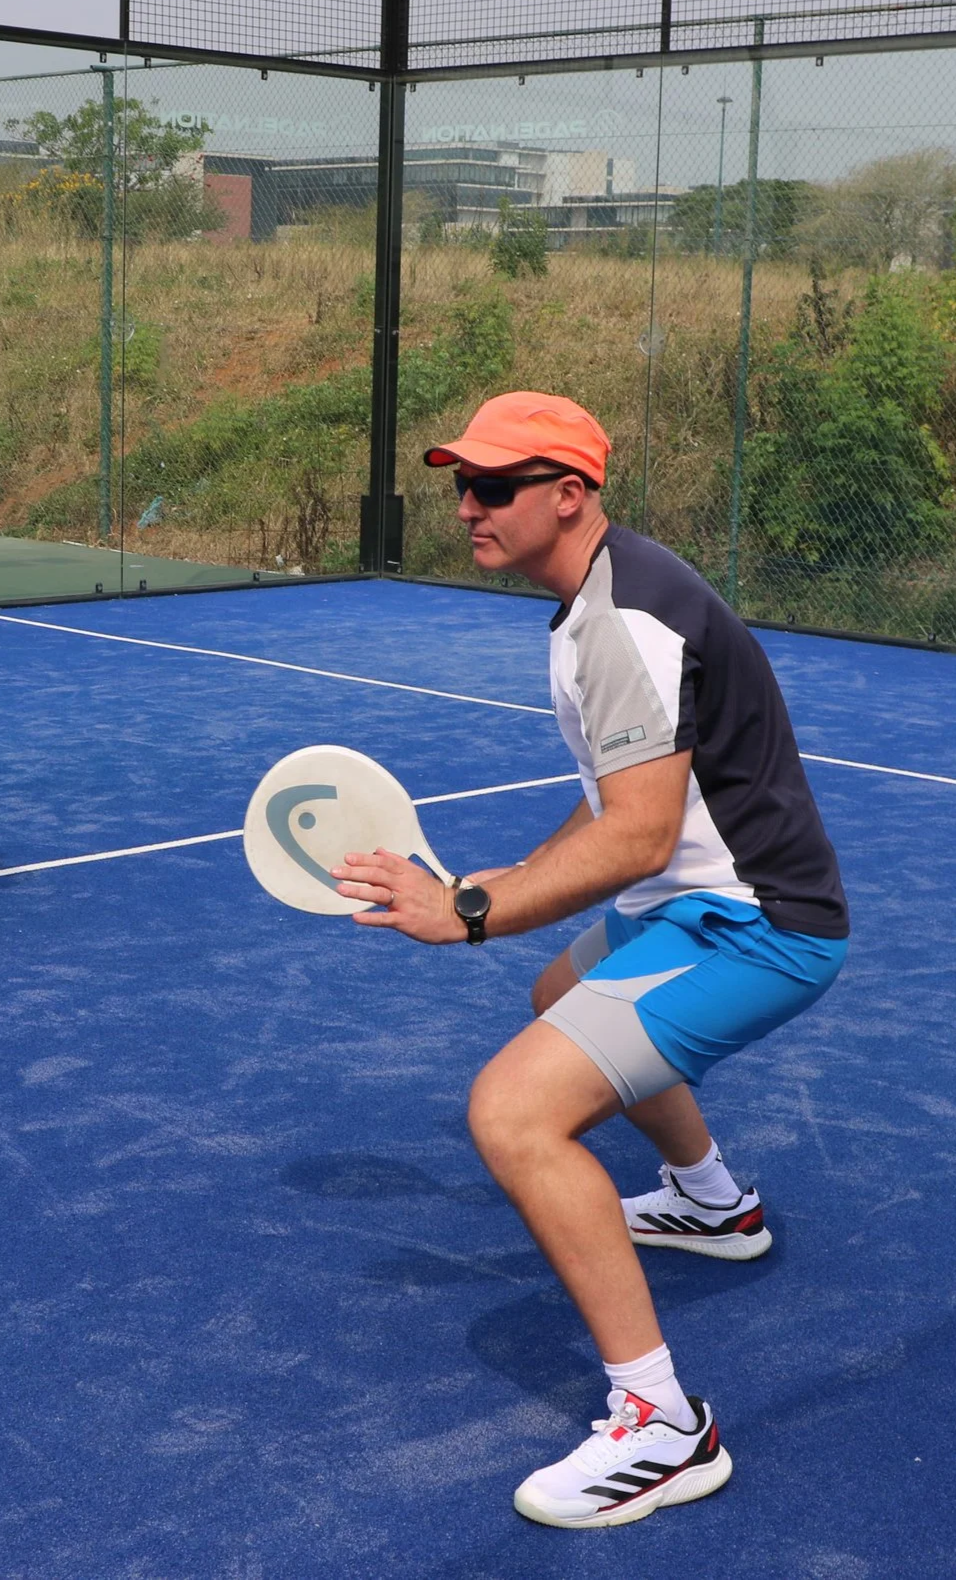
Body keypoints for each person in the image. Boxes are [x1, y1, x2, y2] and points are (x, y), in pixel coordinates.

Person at [332, 391, 848, 1528]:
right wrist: (489, 884)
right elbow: (606, 809)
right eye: (459, 483)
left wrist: (465, 910)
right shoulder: (597, 597)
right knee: (559, 988)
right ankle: (712, 1204)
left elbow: (635, 836)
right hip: (692, 899)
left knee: (512, 1114)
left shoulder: (620, 620)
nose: (466, 505)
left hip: (756, 925)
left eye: (493, 486)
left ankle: (662, 1424)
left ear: (568, 494)